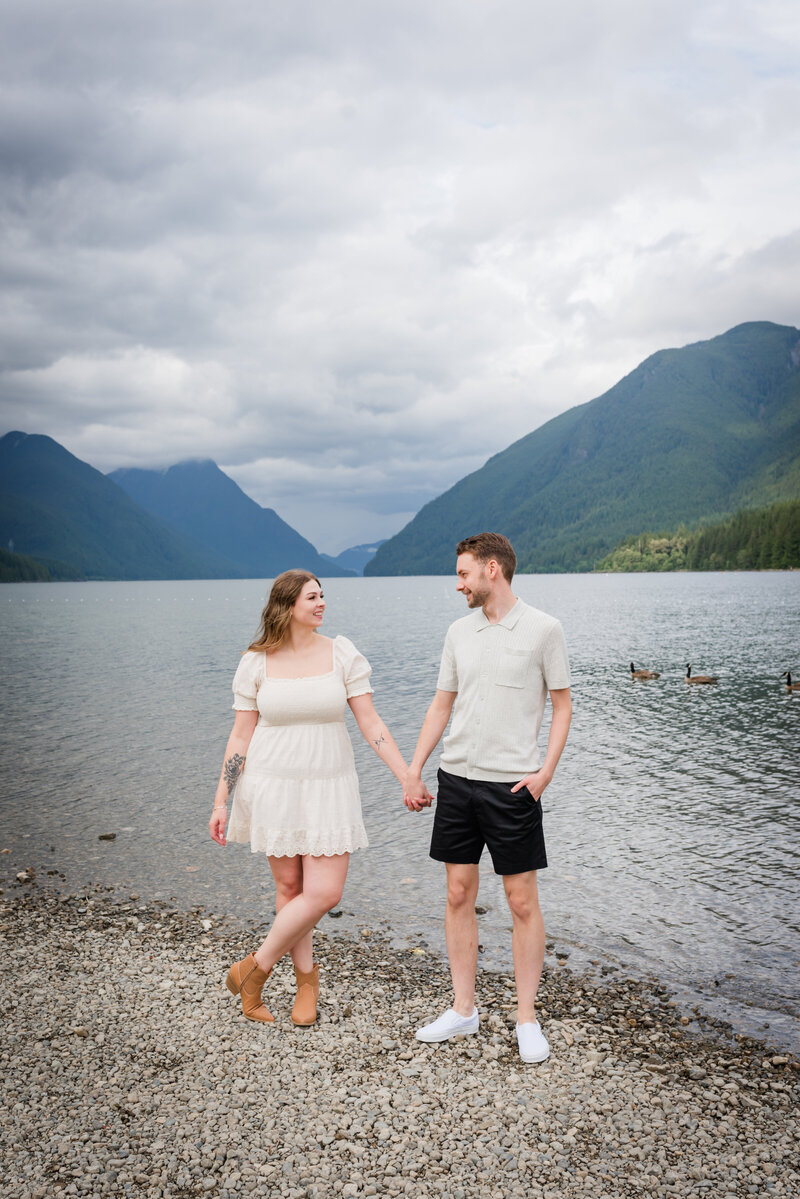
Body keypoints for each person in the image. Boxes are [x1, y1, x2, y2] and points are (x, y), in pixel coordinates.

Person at [209, 569, 420, 1027]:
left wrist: (405, 774)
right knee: (290, 890)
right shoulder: (256, 662)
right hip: (272, 785)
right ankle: (303, 984)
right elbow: (240, 736)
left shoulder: (341, 653)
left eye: (323, 595)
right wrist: (221, 800)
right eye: (312, 597)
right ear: (286, 606)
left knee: (324, 891)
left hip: (329, 784)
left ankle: (252, 969)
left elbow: (371, 723)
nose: (322, 604)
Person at [404, 533, 572, 1063]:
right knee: (457, 893)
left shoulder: (545, 629)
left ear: (491, 569)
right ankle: (463, 1010)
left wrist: (545, 772)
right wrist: (414, 768)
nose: (458, 585)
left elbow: (563, 706)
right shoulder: (459, 632)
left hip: (513, 786)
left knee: (521, 901)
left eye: (463, 574)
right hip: (457, 780)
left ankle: (526, 1019)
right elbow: (440, 705)